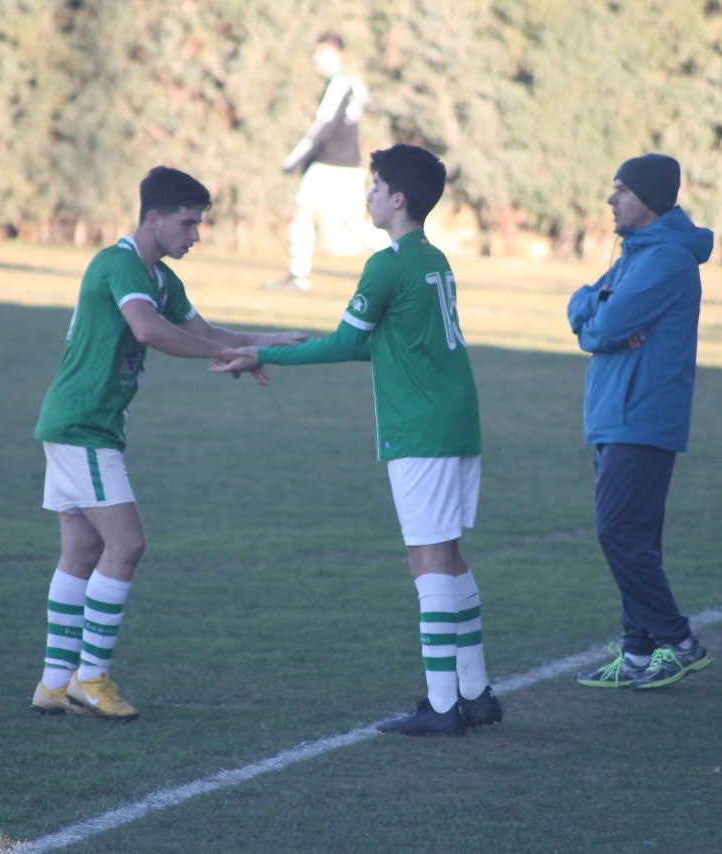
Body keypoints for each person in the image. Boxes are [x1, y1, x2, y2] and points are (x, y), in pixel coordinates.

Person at [215, 143, 502, 736]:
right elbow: (390, 340)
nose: (367, 195)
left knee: (427, 559)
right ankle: (475, 693)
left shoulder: (387, 263)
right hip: (453, 420)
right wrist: (278, 347)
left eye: (373, 187)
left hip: (420, 429)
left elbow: (348, 343)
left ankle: (443, 705)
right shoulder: (434, 258)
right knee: (447, 554)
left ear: (398, 199)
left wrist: (262, 354)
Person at [31, 166, 304, 720]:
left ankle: (55, 683)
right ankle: (91, 677)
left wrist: (262, 343)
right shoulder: (119, 264)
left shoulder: (159, 277)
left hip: (76, 424)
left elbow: (206, 333)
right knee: (127, 545)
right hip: (83, 426)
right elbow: (148, 331)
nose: (196, 235)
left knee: (82, 550)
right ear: (153, 218)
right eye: (188, 223)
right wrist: (223, 357)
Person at [566, 154, 715, 691]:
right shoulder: (636, 253)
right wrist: (598, 316)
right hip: (614, 413)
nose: (611, 200)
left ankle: (680, 642)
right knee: (636, 538)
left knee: (617, 532)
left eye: (621, 190)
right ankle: (635, 653)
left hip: (642, 414)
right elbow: (583, 310)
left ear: (649, 199)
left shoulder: (667, 259)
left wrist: (599, 319)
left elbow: (604, 322)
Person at [266, 31, 386, 291]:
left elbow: (322, 125)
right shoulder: (352, 83)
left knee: (302, 211)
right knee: (352, 224)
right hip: (347, 165)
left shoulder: (339, 84)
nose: (316, 57)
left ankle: (298, 276)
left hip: (330, 163)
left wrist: (295, 158)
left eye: (322, 52)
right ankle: (408, 256)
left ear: (338, 55)